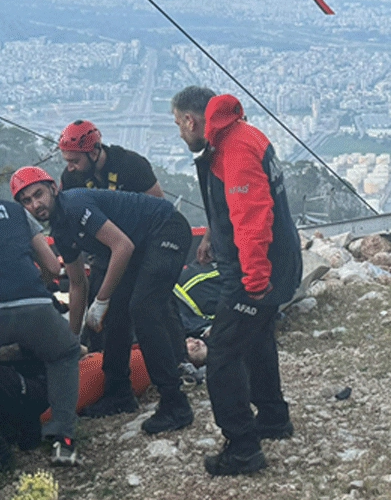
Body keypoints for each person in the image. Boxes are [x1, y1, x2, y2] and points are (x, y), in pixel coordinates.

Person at [171, 86, 302, 476]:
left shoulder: (235, 148)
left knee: (224, 354)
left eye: (179, 124)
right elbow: (231, 202)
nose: (179, 133)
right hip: (266, 261)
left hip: (256, 267)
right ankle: (274, 417)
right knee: (257, 337)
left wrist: (255, 280)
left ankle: (243, 448)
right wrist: (214, 233)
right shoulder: (237, 135)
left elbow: (252, 217)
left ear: (193, 121)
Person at [13, 166, 194, 435]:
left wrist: (101, 299)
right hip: (140, 243)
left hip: (165, 229)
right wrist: (72, 341)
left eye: (38, 194)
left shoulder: (74, 204)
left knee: (143, 309)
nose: (35, 204)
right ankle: (118, 392)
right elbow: (77, 284)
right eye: (26, 201)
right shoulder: (61, 230)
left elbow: (122, 247)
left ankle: (175, 403)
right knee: (116, 315)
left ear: (53, 189)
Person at [58, 120, 166, 353]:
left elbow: (160, 207)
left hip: (142, 245)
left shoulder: (130, 164)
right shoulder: (71, 179)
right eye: (67, 161)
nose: (71, 168)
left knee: (150, 304)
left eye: (75, 161)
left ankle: (174, 357)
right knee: (100, 310)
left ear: (95, 152)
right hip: (104, 250)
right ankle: (99, 357)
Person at [0, 189, 85, 466]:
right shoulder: (16, 212)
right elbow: (51, 264)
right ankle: (64, 439)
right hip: (32, 302)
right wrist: (45, 287)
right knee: (64, 354)